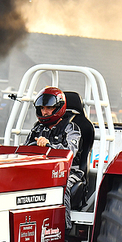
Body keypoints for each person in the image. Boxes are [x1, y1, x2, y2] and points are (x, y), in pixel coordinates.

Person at [24, 87, 84, 231]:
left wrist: (49, 146)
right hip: (41, 171)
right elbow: (25, 150)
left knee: (60, 188)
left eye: (49, 108)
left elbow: (71, 151)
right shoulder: (36, 129)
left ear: (58, 107)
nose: (45, 112)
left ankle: (64, 231)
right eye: (42, 108)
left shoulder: (72, 128)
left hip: (69, 172)